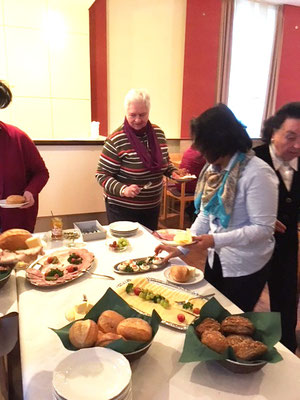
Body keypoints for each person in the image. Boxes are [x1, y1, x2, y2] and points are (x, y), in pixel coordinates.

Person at [155, 103, 279, 312]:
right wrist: (183, 246)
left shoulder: (258, 173)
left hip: (244, 266)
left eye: (203, 145)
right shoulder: (214, 169)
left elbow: (264, 228)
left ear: (220, 141)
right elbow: (206, 212)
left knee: (234, 322)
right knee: (212, 314)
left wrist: (215, 239)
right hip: (217, 258)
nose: (199, 151)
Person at [96, 88, 182, 231]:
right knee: (124, 249)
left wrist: (173, 173)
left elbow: (164, 164)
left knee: (149, 248)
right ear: (126, 113)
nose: (137, 120)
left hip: (152, 206)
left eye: (142, 115)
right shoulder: (116, 139)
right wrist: (123, 189)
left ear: (149, 112)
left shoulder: (158, 134)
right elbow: (101, 175)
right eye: (133, 115)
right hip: (122, 208)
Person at [254, 102, 300, 353]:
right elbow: (229, 203)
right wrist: (260, 217)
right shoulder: (253, 160)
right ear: (273, 132)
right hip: (252, 245)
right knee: (245, 301)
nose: (297, 145)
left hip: (287, 244)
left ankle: (287, 352)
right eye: (291, 137)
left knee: (286, 300)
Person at [0, 81, 49, 233]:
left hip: (15, 221)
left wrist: (30, 191)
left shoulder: (17, 137)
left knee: (19, 256)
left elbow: (41, 172)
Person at [175, 144, 206, 221]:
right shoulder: (201, 155)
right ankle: (194, 210)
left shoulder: (188, 151)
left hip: (180, 183)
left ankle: (191, 208)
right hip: (188, 185)